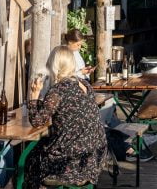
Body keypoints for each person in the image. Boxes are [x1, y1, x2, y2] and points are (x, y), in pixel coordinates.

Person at [24, 46, 108, 188]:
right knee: (40, 149)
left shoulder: (58, 90)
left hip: (70, 161)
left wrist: (33, 97)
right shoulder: (85, 85)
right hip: (93, 157)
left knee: (30, 159)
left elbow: (38, 122)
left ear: (53, 65)